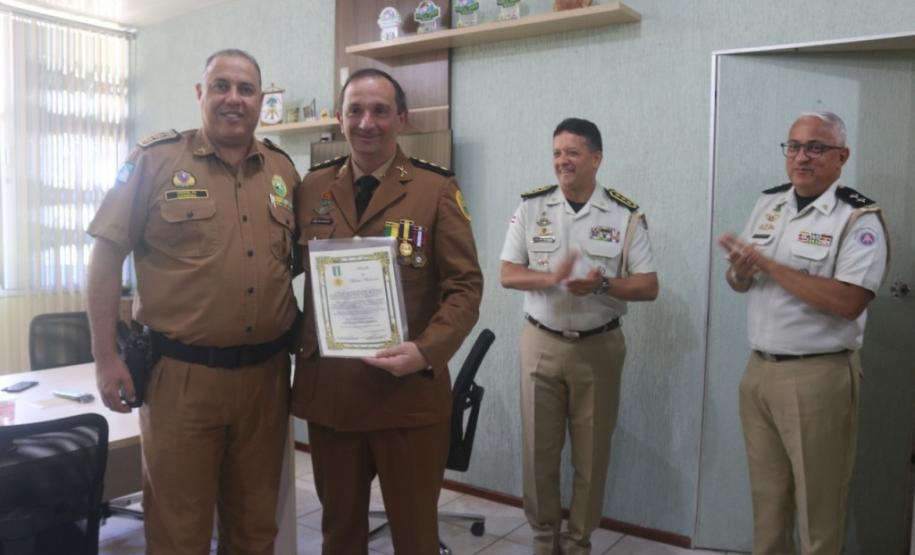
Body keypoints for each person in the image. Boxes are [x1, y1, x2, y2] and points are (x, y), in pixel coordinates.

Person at [86, 49, 299, 554]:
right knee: (178, 533)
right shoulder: (154, 160)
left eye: (246, 90)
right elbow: (105, 256)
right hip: (181, 380)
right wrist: (104, 356)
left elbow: (298, 264)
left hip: (265, 381)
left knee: (255, 530)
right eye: (221, 86)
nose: (233, 99)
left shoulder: (283, 171)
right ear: (200, 94)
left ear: (261, 100)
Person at [291, 68, 483, 555]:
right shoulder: (312, 188)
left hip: (408, 397)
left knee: (415, 537)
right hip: (331, 393)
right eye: (355, 110)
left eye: (380, 110)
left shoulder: (435, 188)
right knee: (339, 535)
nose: (366, 122)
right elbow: (276, 271)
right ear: (339, 118)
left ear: (402, 118)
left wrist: (426, 351)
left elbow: (464, 287)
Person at [718, 111, 889, 555]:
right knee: (768, 504)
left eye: (815, 148)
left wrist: (771, 266)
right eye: (793, 146)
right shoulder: (769, 203)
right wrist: (740, 271)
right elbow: (740, 284)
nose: (801, 157)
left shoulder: (858, 218)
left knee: (818, 509)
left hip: (818, 377)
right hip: (759, 373)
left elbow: (849, 302)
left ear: (841, 157)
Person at [500, 117, 659, 555]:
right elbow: (507, 274)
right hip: (540, 342)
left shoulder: (624, 214)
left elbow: (648, 285)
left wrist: (603, 285)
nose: (562, 161)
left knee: (591, 456)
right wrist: (549, 277)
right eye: (556, 153)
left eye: (572, 153)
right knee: (538, 453)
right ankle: (543, 539)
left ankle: (578, 543)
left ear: (596, 158)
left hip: (598, 346)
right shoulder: (532, 208)